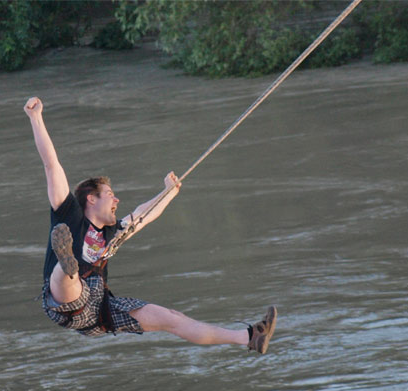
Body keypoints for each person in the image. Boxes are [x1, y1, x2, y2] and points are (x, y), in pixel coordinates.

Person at [24, 96, 277, 354]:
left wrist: (168, 192)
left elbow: (143, 214)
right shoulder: (69, 215)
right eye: (110, 194)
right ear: (91, 199)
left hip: (101, 311)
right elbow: (51, 165)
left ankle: (249, 337)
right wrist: (36, 118)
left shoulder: (112, 233)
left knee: (172, 318)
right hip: (63, 303)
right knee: (68, 275)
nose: (117, 199)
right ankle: (65, 263)